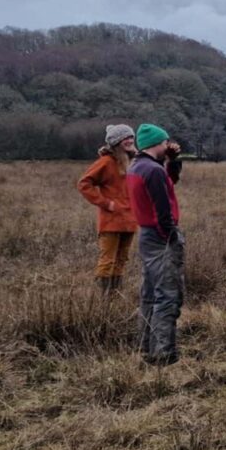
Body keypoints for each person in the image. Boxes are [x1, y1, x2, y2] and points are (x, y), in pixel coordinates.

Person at [127, 123, 184, 366]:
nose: (167, 145)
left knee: (150, 293)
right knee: (168, 295)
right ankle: (163, 354)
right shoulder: (152, 171)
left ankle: (146, 345)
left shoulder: (139, 167)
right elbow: (162, 209)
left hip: (147, 235)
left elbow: (168, 183)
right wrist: (171, 236)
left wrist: (173, 161)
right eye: (164, 142)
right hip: (160, 238)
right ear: (155, 143)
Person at [77, 124, 138, 294]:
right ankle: (103, 301)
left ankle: (114, 296)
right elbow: (84, 184)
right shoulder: (105, 162)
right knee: (108, 260)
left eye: (131, 137)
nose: (130, 140)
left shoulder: (132, 162)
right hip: (111, 221)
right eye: (126, 138)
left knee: (122, 259)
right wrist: (105, 203)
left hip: (130, 220)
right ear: (117, 142)